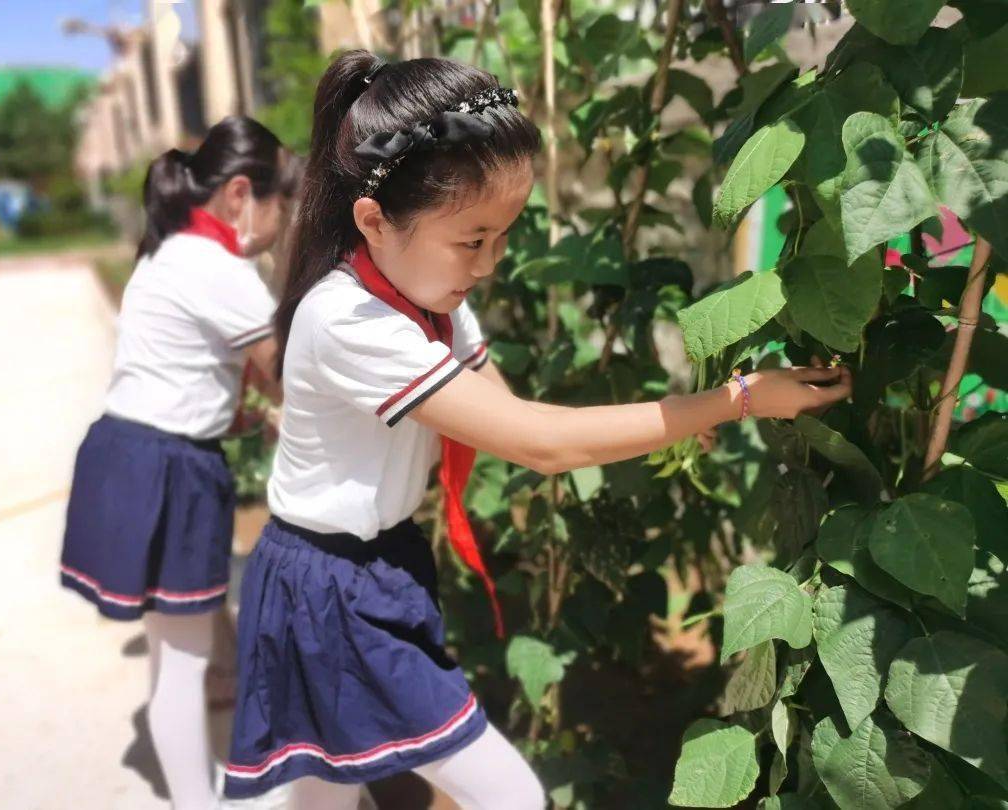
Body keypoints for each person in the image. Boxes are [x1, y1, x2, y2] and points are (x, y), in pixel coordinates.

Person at [222, 52, 852, 810]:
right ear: (373, 220)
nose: (488, 264)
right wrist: (734, 399)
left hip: (368, 569)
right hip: (325, 585)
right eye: (473, 239)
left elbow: (512, 419)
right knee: (502, 797)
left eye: (502, 237)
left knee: (317, 793)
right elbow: (536, 441)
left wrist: (677, 424)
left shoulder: (432, 296)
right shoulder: (349, 318)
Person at [59, 116, 303, 810]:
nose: (282, 221)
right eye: (280, 202)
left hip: (128, 455)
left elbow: (179, 375)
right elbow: (285, 373)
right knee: (182, 664)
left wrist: (238, 411)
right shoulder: (221, 269)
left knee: (172, 655)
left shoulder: (165, 254)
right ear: (238, 194)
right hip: (167, 470)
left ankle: (197, 794)